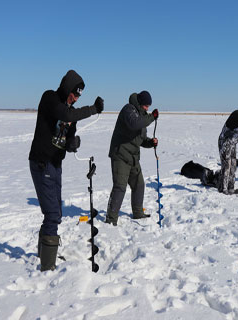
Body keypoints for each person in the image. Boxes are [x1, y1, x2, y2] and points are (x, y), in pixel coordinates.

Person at [29, 70, 104, 271]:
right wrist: (93, 109)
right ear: (66, 88)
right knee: (53, 214)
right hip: (41, 162)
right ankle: (47, 267)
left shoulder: (71, 111)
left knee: (56, 212)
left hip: (55, 164)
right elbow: (66, 114)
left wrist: (72, 143)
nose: (76, 97)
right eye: (75, 93)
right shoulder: (50, 98)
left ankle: (44, 255)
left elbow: (68, 134)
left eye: (79, 95)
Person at [105, 91, 158, 225]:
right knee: (120, 187)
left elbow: (140, 139)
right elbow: (135, 124)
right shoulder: (128, 109)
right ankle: (111, 219)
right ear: (140, 103)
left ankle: (138, 213)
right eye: (146, 105)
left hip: (133, 157)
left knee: (139, 184)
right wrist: (152, 117)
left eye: (149, 106)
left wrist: (150, 142)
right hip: (120, 155)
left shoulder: (142, 115)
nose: (147, 108)